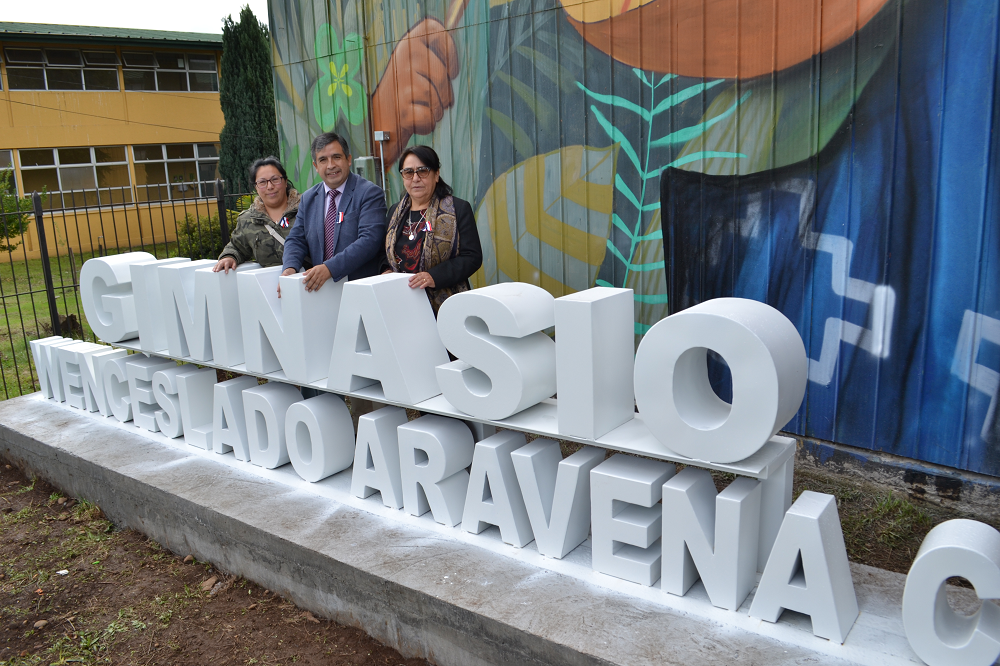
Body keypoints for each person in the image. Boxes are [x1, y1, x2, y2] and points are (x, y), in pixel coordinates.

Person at [280, 132, 387, 294]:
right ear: (316, 166)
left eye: (336, 157)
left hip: (361, 291)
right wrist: (289, 267)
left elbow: (369, 240)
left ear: (348, 159)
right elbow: (296, 239)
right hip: (322, 291)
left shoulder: (369, 193)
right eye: (323, 160)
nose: (330, 165)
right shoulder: (309, 198)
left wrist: (330, 268)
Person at [380, 145, 482, 314]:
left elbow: (472, 257)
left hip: (446, 305)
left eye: (423, 171)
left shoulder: (458, 209)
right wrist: (385, 270)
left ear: (436, 174)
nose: (415, 178)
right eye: (408, 172)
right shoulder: (394, 212)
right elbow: (382, 253)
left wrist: (434, 276)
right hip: (401, 303)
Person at [214, 157, 299, 272]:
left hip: (309, 282)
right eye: (262, 182)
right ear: (256, 187)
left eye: (275, 179)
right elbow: (236, 247)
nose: (270, 187)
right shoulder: (248, 220)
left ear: (285, 181)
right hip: (268, 285)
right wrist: (229, 257)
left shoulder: (306, 210)